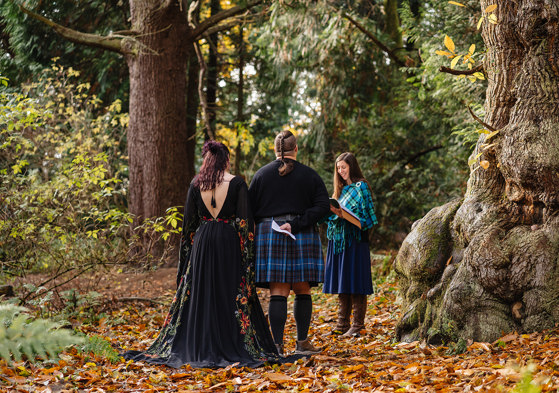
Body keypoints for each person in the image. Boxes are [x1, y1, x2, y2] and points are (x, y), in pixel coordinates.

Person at [122, 140, 280, 368]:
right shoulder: (236, 183)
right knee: (228, 290)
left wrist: (185, 261)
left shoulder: (196, 184)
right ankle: (228, 340)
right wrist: (247, 260)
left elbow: (188, 227)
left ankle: (202, 340)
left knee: (203, 290)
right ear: (225, 159)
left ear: (207, 159)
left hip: (203, 242)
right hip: (228, 241)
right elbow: (246, 224)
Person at [249, 130, 330, 355]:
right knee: (302, 288)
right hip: (302, 232)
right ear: (296, 148)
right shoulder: (310, 175)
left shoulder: (262, 175)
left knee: (279, 290)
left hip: (270, 234)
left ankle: (276, 346)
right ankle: (302, 343)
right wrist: (296, 224)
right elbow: (323, 206)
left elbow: (248, 210)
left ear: (275, 150)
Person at [323, 152, 378, 337]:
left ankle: (357, 325)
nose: (340, 171)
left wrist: (345, 216)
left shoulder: (360, 186)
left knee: (356, 281)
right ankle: (342, 324)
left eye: (344, 168)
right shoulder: (339, 191)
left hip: (355, 240)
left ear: (351, 167)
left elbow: (365, 220)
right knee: (343, 281)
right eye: (338, 169)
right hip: (339, 240)